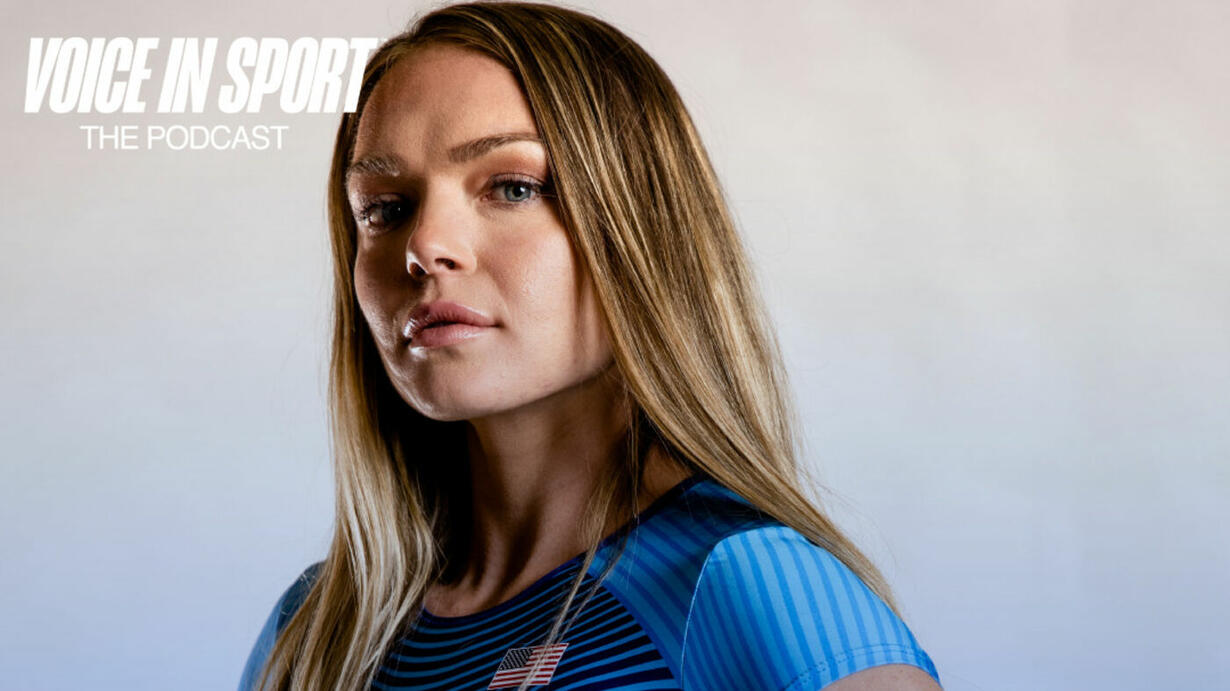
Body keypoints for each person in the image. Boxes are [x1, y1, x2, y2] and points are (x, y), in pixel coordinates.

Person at [239, 2, 942, 689]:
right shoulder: (314, 634)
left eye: (513, 188)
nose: (424, 245)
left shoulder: (745, 585)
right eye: (385, 208)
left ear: (645, 230)